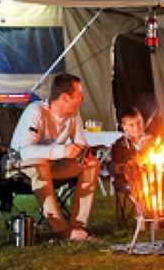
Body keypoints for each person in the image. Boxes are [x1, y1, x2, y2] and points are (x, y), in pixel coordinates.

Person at [9, 73, 100, 241]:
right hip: (20, 167)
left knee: (91, 164)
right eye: (79, 94)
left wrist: (84, 153)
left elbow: (80, 142)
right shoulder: (36, 112)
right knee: (40, 163)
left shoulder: (73, 114)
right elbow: (24, 151)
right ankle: (61, 229)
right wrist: (62, 151)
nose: (83, 98)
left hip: (53, 166)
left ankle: (78, 226)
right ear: (65, 97)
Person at [110, 107, 155, 193]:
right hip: (128, 180)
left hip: (151, 177)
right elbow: (117, 168)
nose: (136, 127)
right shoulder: (120, 144)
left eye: (139, 123)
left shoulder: (151, 140)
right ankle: (144, 206)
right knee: (141, 188)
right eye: (131, 125)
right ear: (124, 127)